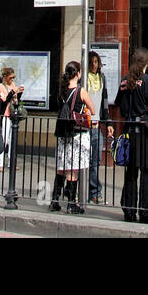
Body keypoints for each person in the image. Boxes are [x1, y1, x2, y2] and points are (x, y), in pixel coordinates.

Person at [116, 47, 148, 223]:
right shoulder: (147, 81)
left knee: (131, 172)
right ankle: (146, 210)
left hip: (129, 130)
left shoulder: (124, 81)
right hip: (144, 131)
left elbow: (120, 106)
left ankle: (129, 209)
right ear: (146, 62)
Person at [51, 61, 94, 214]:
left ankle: (54, 200)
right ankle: (71, 203)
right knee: (73, 168)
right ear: (78, 74)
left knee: (62, 167)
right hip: (76, 132)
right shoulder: (80, 91)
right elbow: (92, 108)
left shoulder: (62, 90)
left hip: (62, 132)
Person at [83, 51, 113, 205]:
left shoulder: (102, 78)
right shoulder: (83, 79)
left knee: (95, 161)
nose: (94, 65)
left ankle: (94, 192)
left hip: (96, 126)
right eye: (92, 62)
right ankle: (75, 190)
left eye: (96, 62)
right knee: (81, 161)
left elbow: (104, 102)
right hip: (83, 126)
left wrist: (108, 123)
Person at [0, 67, 23, 175]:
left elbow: (16, 100)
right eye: (11, 77)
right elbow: (4, 101)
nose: (12, 79)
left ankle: (12, 162)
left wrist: (19, 93)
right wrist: (12, 92)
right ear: (5, 77)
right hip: (6, 114)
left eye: (13, 77)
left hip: (13, 114)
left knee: (13, 139)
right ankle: (0, 163)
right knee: (4, 138)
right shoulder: (1, 87)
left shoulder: (13, 85)